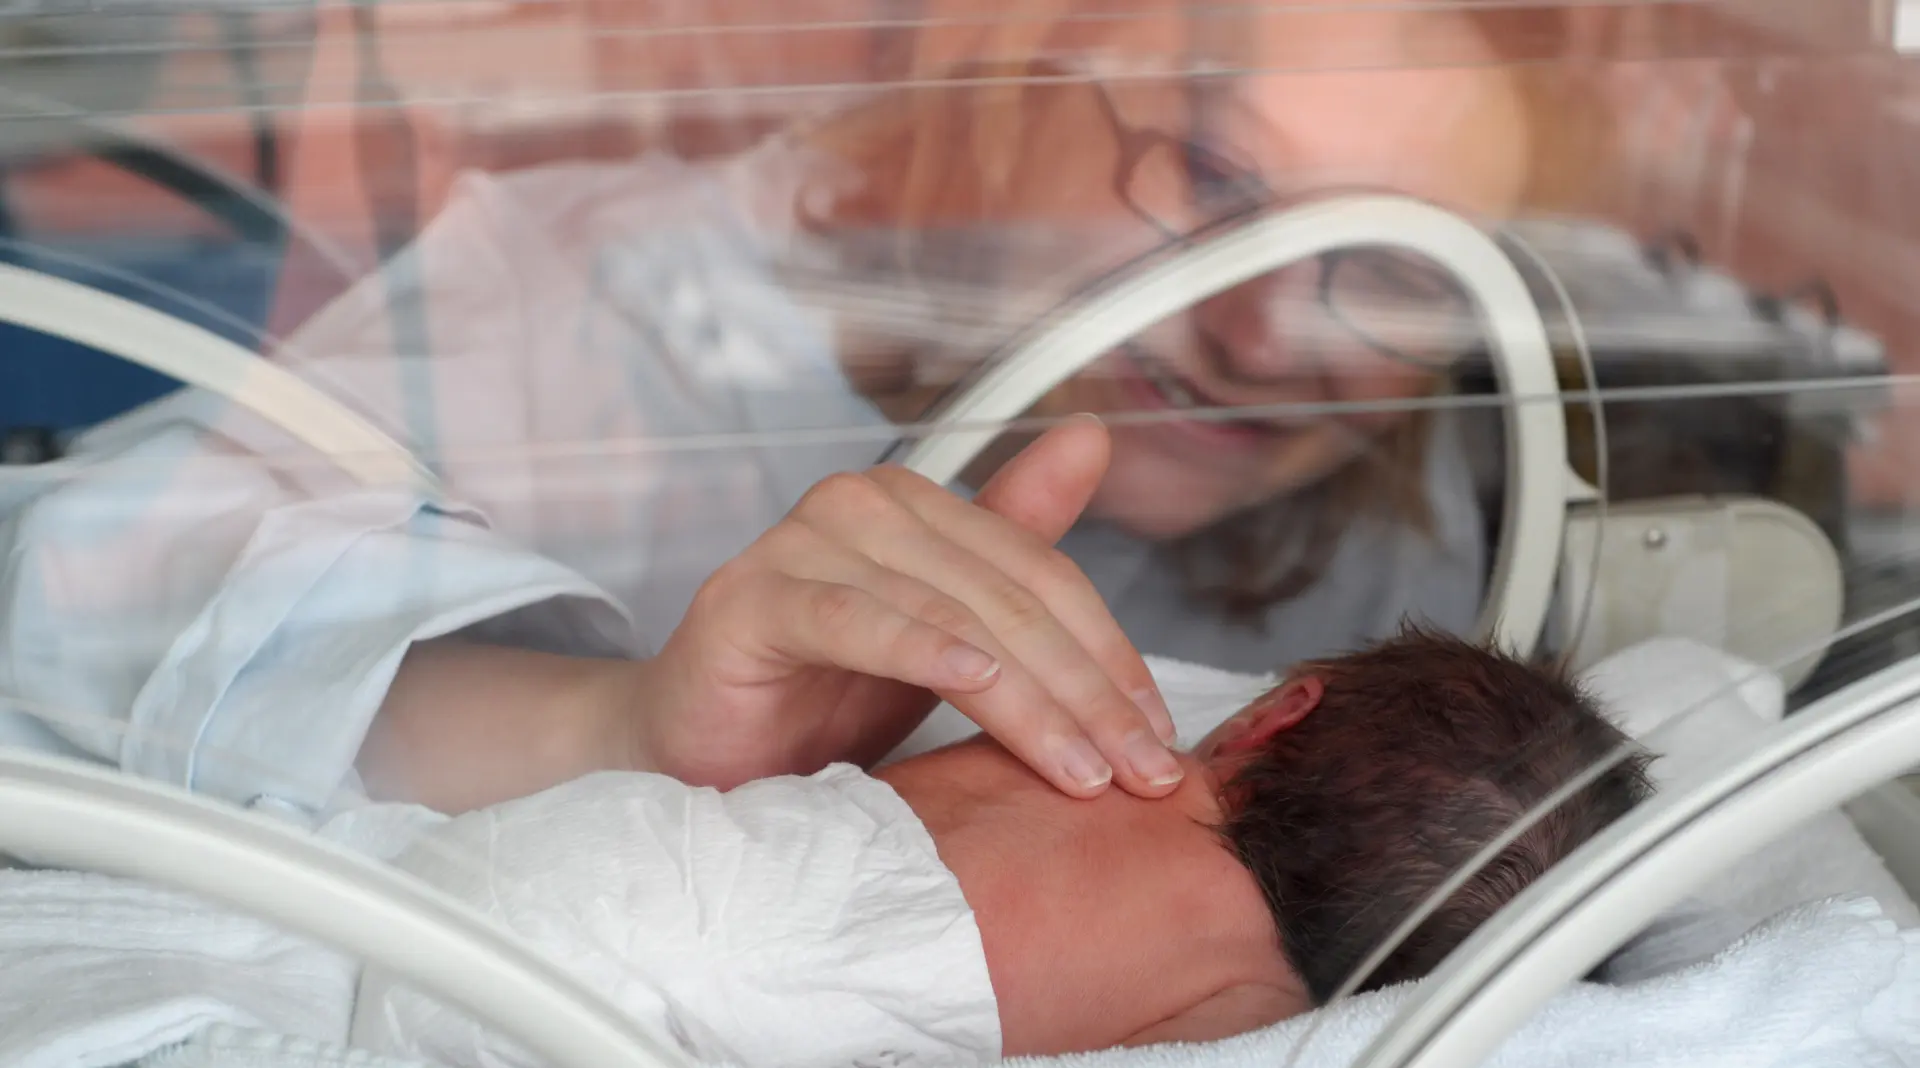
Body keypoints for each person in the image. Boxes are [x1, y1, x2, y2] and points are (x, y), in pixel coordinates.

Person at [0, 1, 1614, 820]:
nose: (1266, 333)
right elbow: (99, 626)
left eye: (1391, 268)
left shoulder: (1397, 493)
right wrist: (625, 735)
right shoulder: (609, 301)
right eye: (1210, 175)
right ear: (1018, 74)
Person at [352, 626, 1654, 1068]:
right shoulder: (1242, 1012)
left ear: (1278, 714)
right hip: (631, 1028)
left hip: (531, 874)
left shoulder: (1098, 752)